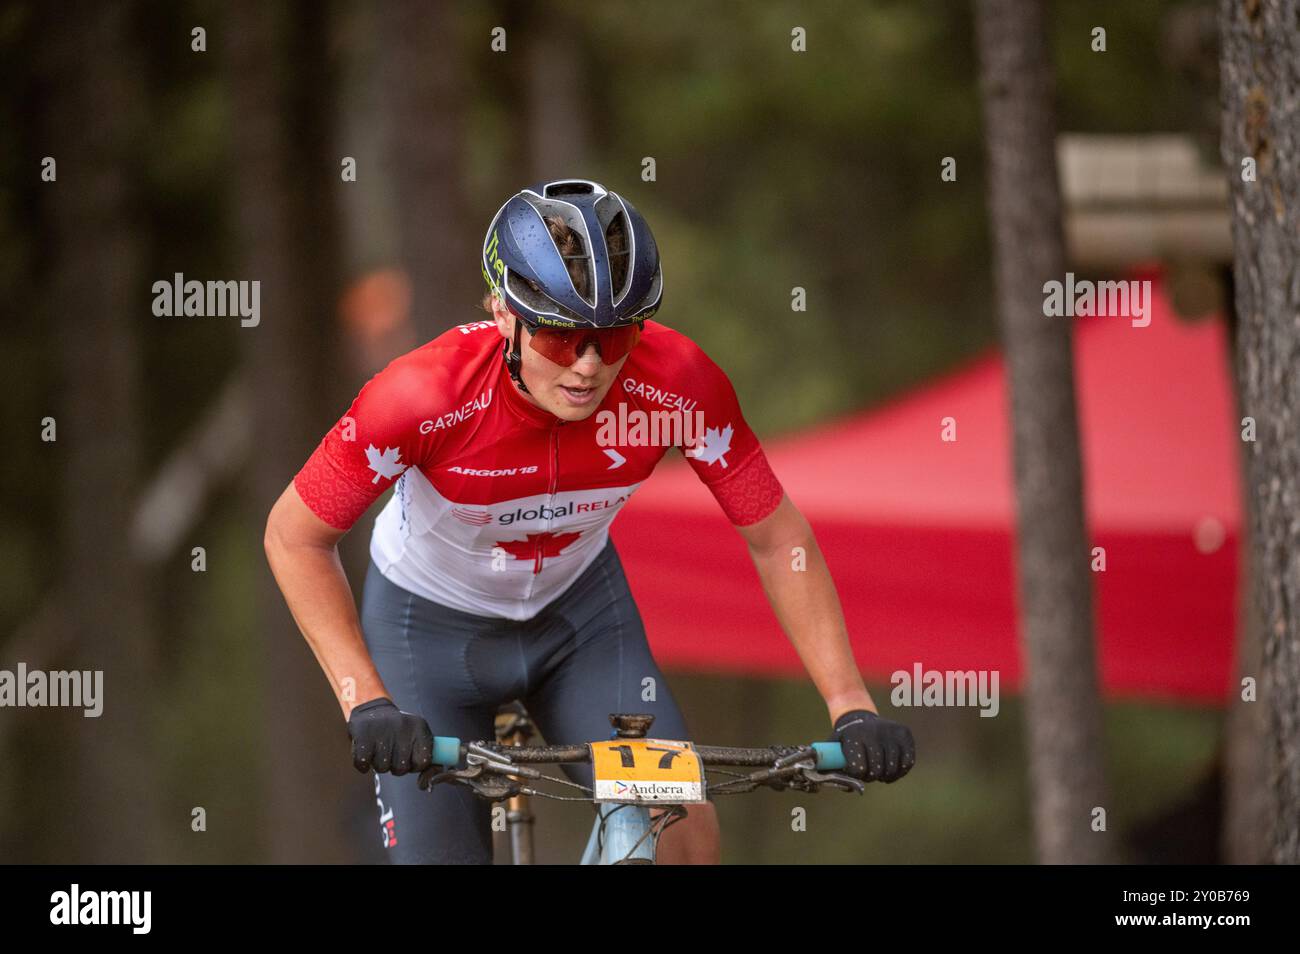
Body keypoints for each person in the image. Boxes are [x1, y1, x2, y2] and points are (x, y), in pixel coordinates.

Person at [263, 178, 915, 864]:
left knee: (681, 835)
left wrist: (850, 705)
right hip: (426, 633)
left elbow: (779, 538)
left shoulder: (677, 383)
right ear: (502, 314)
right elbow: (294, 536)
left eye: (616, 334)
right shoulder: (421, 397)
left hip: (579, 628)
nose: (589, 366)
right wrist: (363, 698)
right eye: (559, 337)